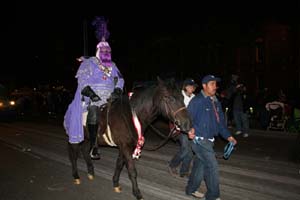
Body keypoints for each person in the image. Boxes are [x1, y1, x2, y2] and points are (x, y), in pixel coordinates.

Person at [63, 16, 124, 160]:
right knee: (93, 111)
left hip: (112, 97)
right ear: (98, 51)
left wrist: (117, 90)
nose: (106, 53)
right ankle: (93, 146)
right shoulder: (89, 63)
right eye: (103, 51)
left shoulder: (113, 66)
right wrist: (92, 95)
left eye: (108, 51)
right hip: (93, 98)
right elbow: (83, 82)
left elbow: (120, 79)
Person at [185, 74, 237, 200]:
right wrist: (189, 131)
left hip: (210, 140)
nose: (215, 86)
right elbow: (187, 120)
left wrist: (229, 137)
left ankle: (190, 189)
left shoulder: (215, 102)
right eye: (212, 84)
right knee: (212, 165)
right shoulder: (196, 101)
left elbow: (220, 124)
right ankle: (213, 196)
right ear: (204, 86)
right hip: (199, 140)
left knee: (200, 165)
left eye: (216, 84)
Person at [168, 78, 197, 178]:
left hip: (192, 127)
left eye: (193, 86)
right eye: (190, 85)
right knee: (185, 149)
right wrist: (175, 126)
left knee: (190, 150)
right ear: (185, 86)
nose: (192, 88)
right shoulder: (179, 96)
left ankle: (184, 171)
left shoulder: (195, 98)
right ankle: (172, 165)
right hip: (181, 127)